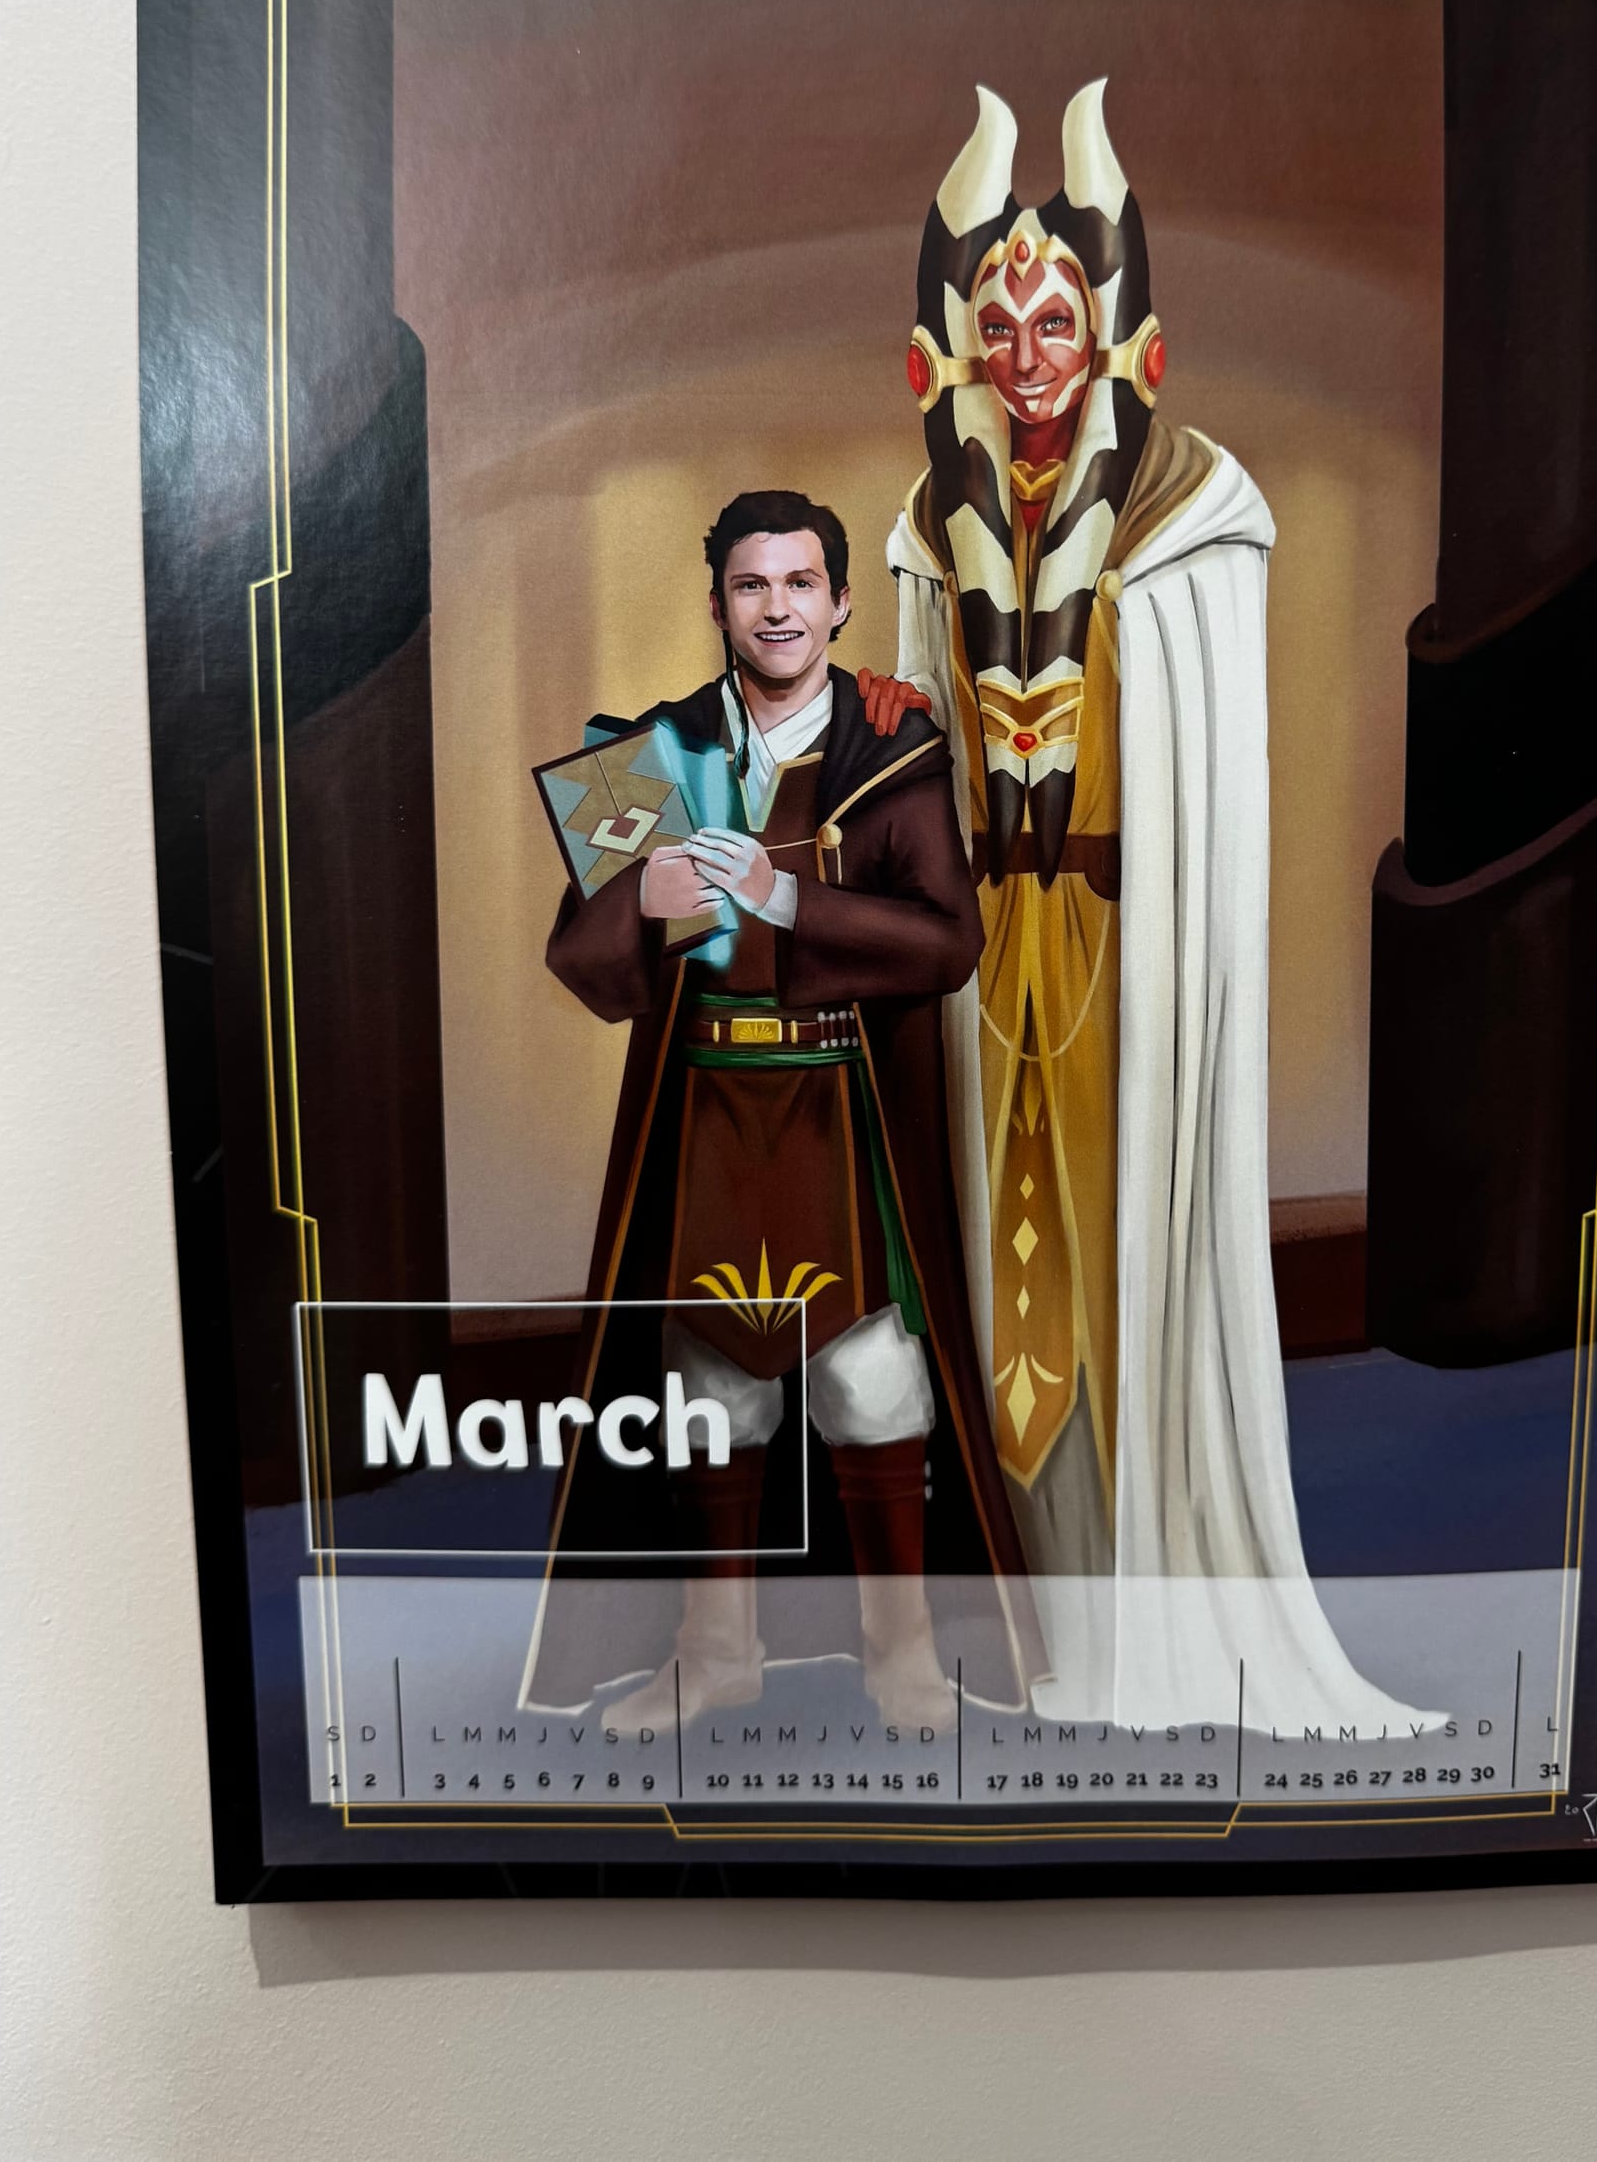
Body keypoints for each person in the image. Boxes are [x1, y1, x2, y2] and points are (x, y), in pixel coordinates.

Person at [873, 83, 1438, 1733]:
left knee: (1130, 1259)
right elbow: (919, 744)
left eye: (1057, 317)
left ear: (1122, 332)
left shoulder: (1196, 505)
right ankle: (1030, 1613)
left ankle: (1149, 1616)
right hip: (984, 970)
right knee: (993, 1275)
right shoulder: (931, 522)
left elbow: (1199, 750)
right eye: (999, 322)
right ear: (955, 345)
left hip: (1130, 954)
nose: (1028, 350)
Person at [521, 489, 1044, 1731]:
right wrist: (643, 905)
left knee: (870, 1382)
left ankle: (902, 1652)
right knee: (710, 1390)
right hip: (703, 1118)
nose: (776, 609)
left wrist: (787, 898)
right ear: (716, 605)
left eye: (799, 584)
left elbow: (948, 944)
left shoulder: (895, 749)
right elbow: (579, 961)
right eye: (751, 586)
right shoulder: (649, 752)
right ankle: (715, 1655)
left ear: (840, 602)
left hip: (840, 1115)